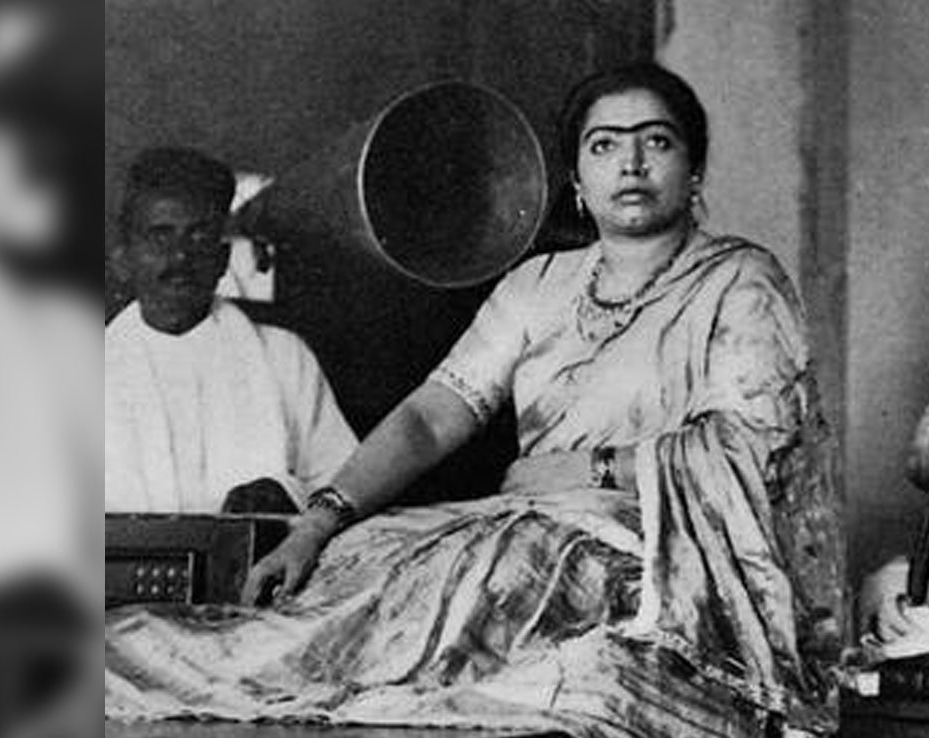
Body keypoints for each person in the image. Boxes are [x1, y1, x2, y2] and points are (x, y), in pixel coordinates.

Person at [106, 66, 843, 737]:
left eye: (657, 141)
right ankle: (191, 668)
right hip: (535, 526)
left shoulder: (741, 281)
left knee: (511, 559)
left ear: (694, 169)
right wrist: (320, 521)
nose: (632, 164)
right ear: (577, 178)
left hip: (661, 556)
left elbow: (757, 448)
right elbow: (432, 417)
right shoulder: (538, 284)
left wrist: (593, 470)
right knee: (360, 554)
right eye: (605, 145)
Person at [105, 147, 358, 513]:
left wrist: (286, 494)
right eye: (160, 236)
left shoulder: (284, 357)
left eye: (199, 236)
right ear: (123, 261)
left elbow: (345, 486)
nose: (181, 257)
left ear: (223, 259)